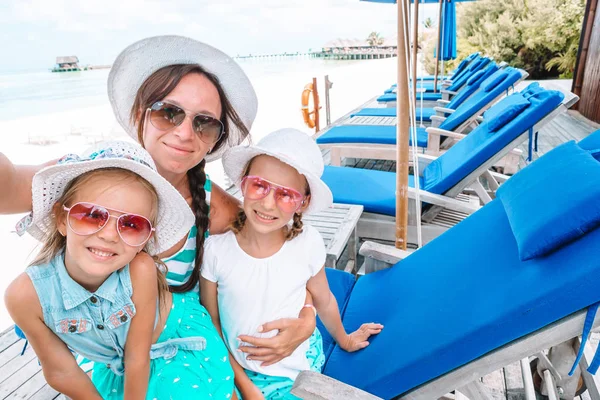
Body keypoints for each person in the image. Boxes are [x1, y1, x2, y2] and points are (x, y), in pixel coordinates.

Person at [0, 35, 318, 365]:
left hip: (180, 354)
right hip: (95, 360)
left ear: (215, 140)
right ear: (140, 113)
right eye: (168, 112)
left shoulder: (215, 208)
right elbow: (7, 184)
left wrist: (307, 320)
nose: (184, 133)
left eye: (205, 123)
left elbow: (282, 257)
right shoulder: (87, 177)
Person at [5, 141, 235, 399]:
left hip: (179, 340)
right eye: (91, 215)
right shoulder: (24, 296)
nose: (109, 235)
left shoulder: (141, 269)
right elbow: (61, 371)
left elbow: (138, 356)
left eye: (131, 224)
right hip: (119, 367)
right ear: (61, 219)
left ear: (145, 241)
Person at [201, 128, 383, 399]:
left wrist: (344, 339)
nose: (268, 203)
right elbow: (211, 320)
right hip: (238, 370)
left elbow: (324, 299)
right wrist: (241, 384)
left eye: (285, 194)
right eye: (259, 185)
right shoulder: (216, 249)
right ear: (242, 183)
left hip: (294, 369)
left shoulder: (307, 243)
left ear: (303, 203)